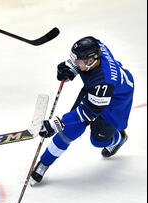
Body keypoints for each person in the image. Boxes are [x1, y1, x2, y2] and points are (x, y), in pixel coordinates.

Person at [31, 36, 134, 184]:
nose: (74, 62)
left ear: (90, 61)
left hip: (116, 102)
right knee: (71, 129)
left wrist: (55, 124)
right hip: (96, 92)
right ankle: (45, 162)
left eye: (76, 61)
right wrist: (70, 69)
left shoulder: (104, 82)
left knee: (98, 141)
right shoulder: (95, 48)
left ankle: (119, 139)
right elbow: (86, 52)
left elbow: (86, 113)